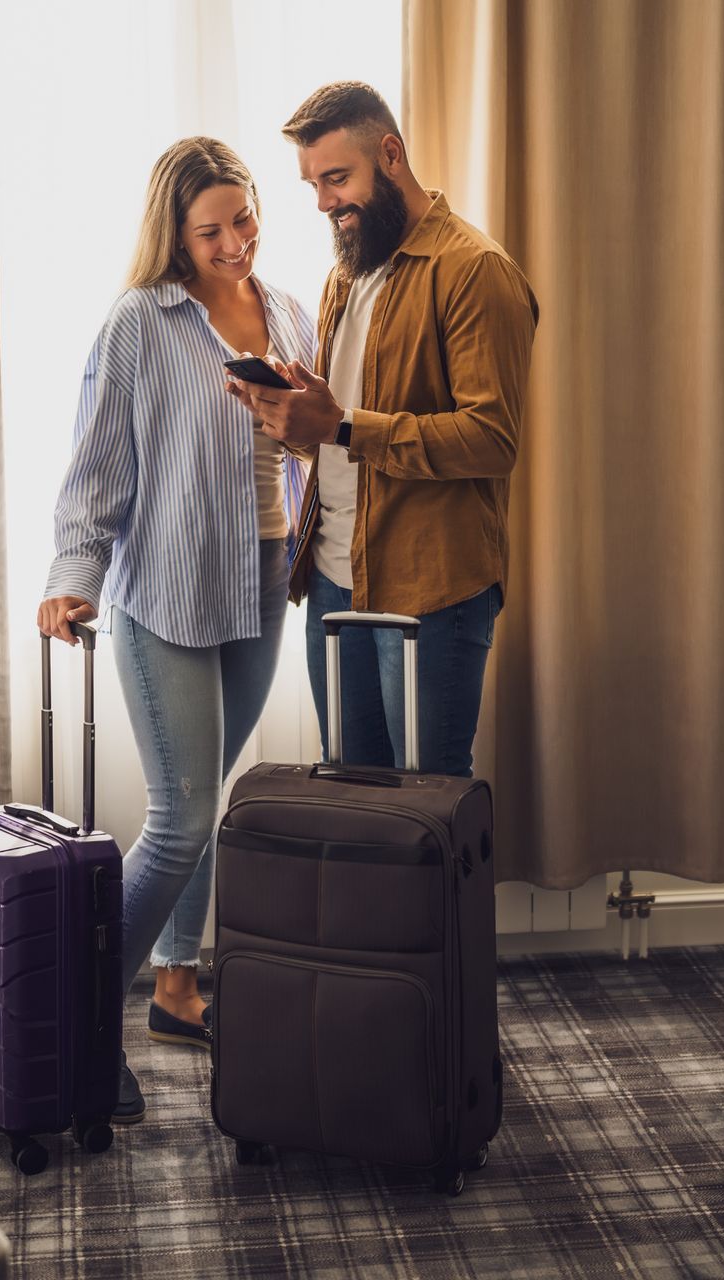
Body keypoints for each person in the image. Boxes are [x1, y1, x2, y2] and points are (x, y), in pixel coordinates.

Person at [37, 137, 315, 1124]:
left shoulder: (286, 311)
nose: (237, 241)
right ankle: (76, 1016)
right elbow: (98, 463)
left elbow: (307, 445)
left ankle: (175, 984)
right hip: (165, 598)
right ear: (175, 233)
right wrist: (72, 578)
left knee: (210, 800)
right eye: (213, 229)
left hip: (257, 591)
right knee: (185, 813)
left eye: (245, 219)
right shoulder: (140, 324)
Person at [230, 81, 539, 780]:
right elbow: (336, 438)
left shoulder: (475, 271)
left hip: (431, 591)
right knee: (354, 809)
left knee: (428, 811)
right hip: (334, 579)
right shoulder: (348, 273)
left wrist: (338, 425)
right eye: (313, 184)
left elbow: (492, 439)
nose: (324, 203)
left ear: (391, 155)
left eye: (337, 178)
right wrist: (288, 414)